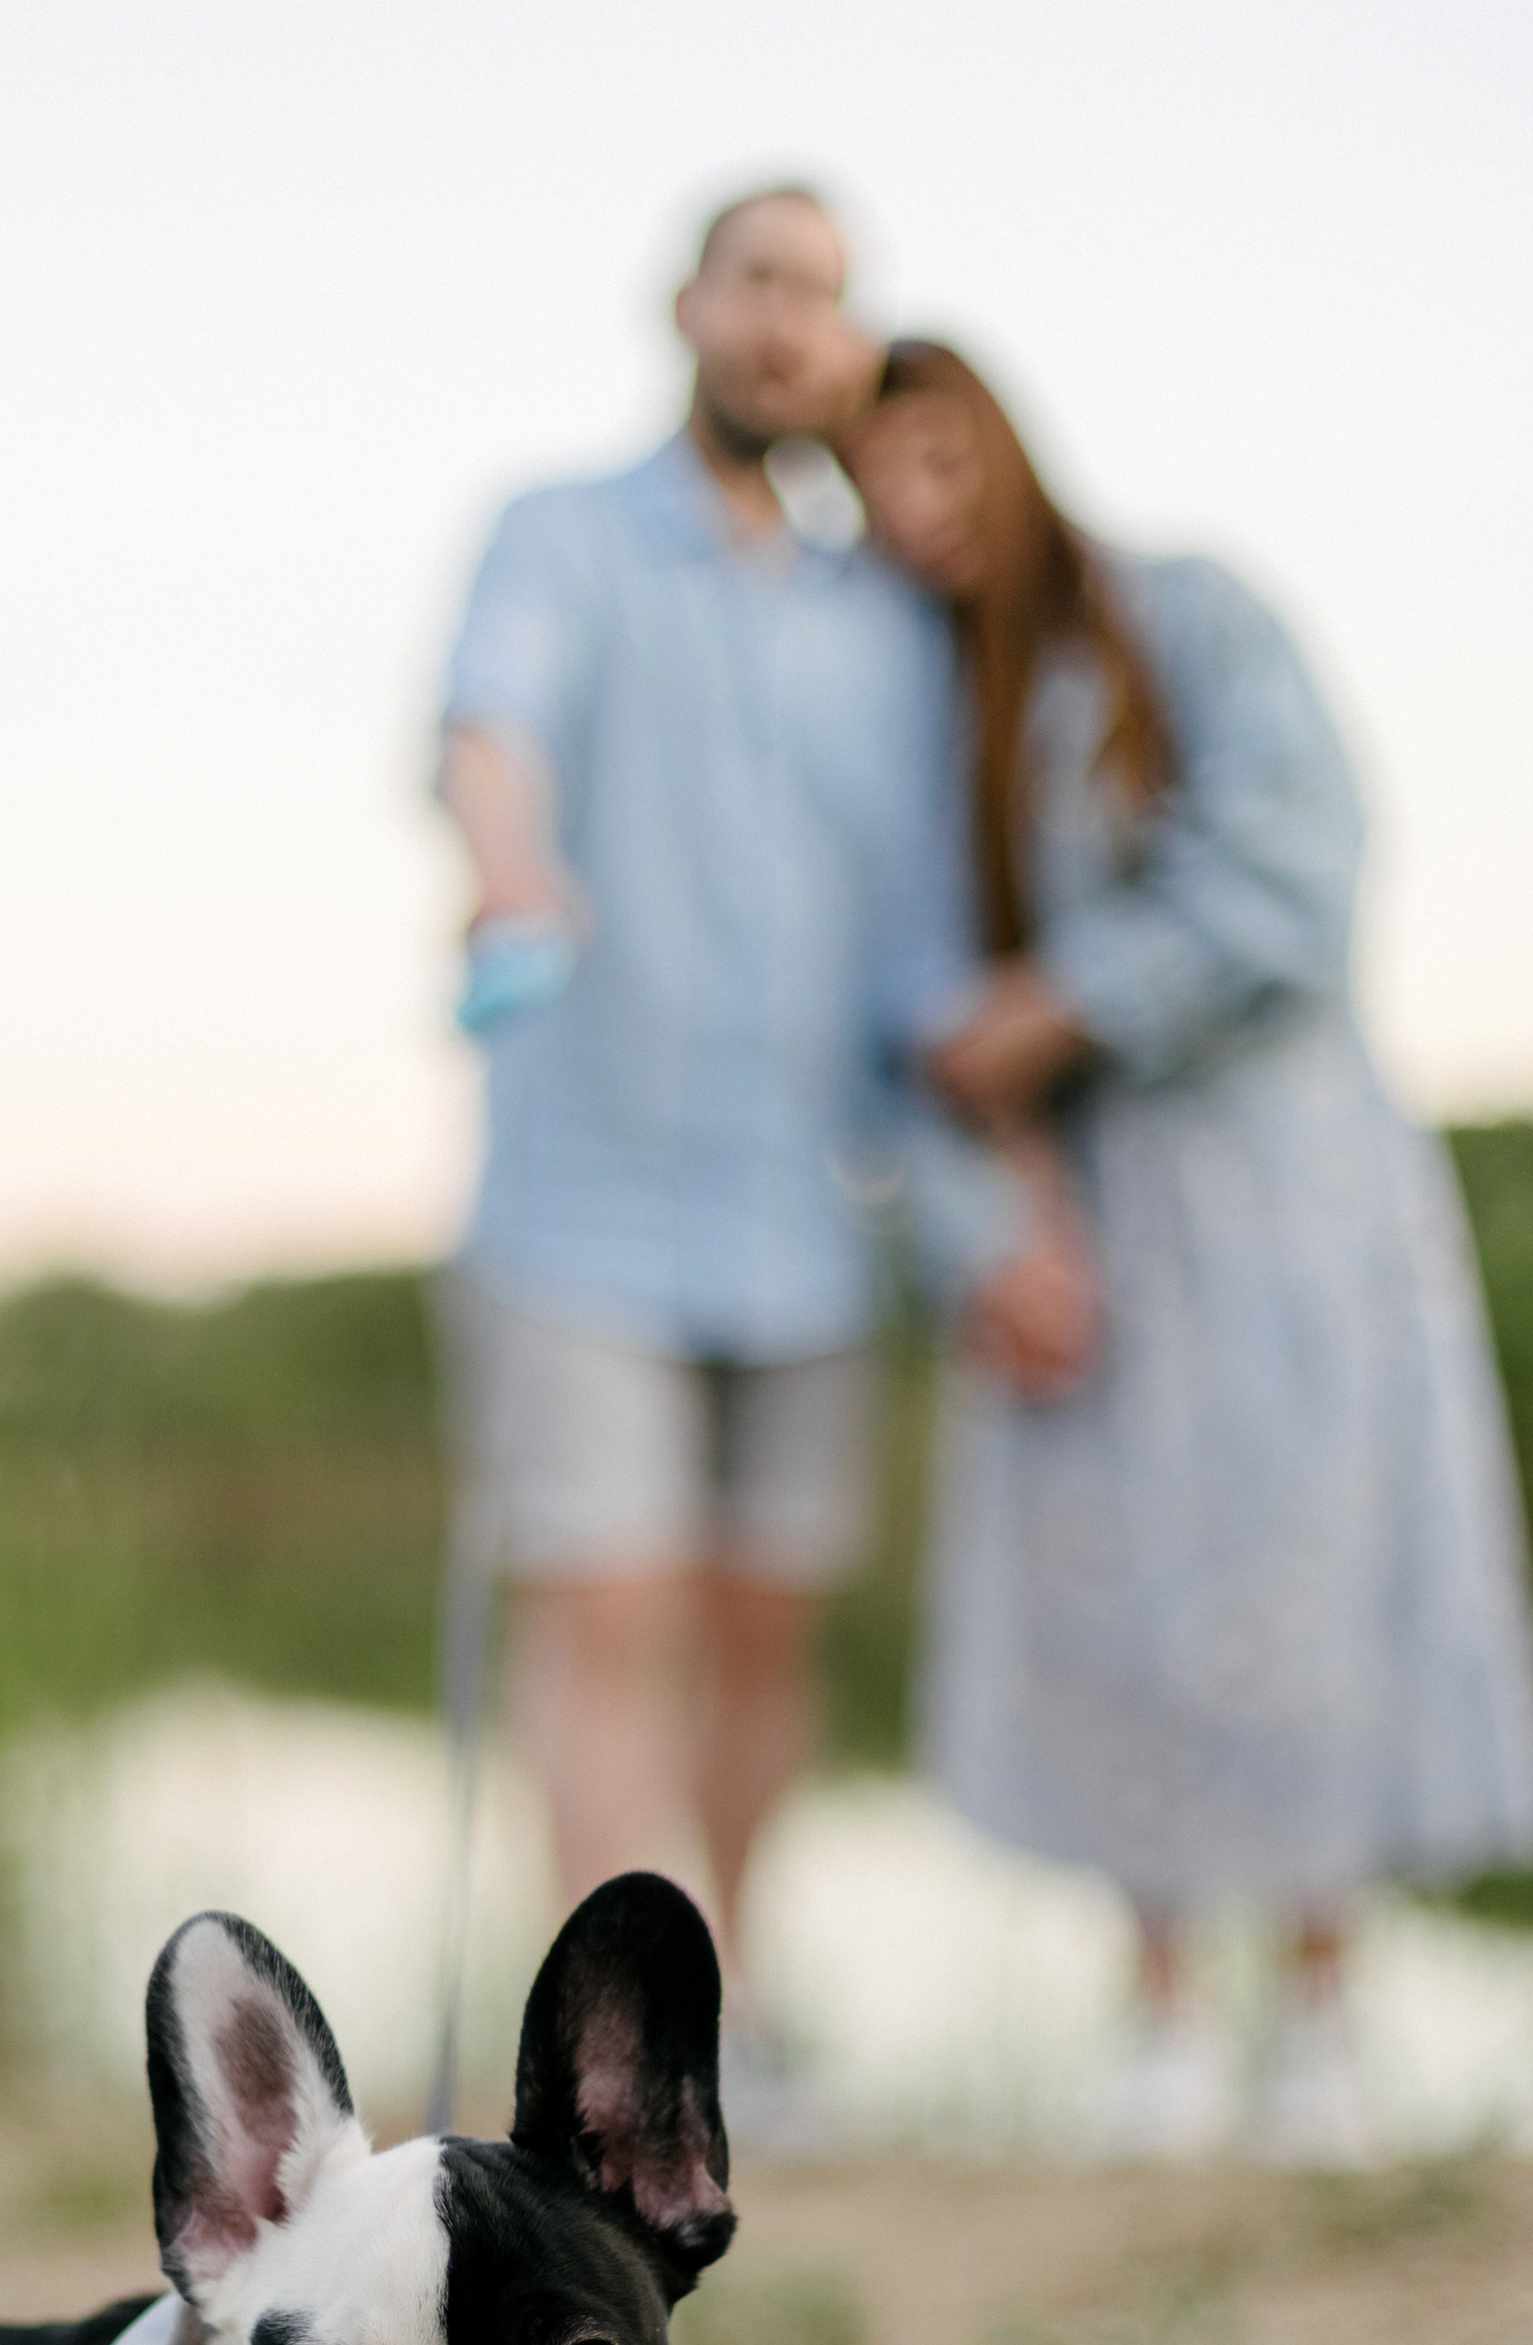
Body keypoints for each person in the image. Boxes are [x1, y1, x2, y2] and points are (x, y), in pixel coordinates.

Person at [848, 339, 1533, 2159]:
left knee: (1309, 1563)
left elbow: (1300, 872)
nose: (916, 518)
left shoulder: (1196, 616)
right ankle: (1158, 2009)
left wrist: (1069, 1003)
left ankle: (1324, 2003)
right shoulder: (923, 714)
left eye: (938, 466)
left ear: (1000, 446)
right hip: (1085, 1218)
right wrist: (986, 1230)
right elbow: (907, 1023)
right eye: (877, 493)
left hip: (1286, 1186)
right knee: (1121, 1592)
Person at [435, 188, 961, 2115]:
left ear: (844, 341)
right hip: (585, 1192)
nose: (784, 326)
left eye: (821, 298)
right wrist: (511, 874)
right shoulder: (561, 536)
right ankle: (611, 2068)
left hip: (817, 1210)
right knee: (606, 1619)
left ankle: (711, 2037)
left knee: (760, 1634)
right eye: (758, 281)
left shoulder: (880, 615)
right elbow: (488, 726)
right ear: (686, 305)